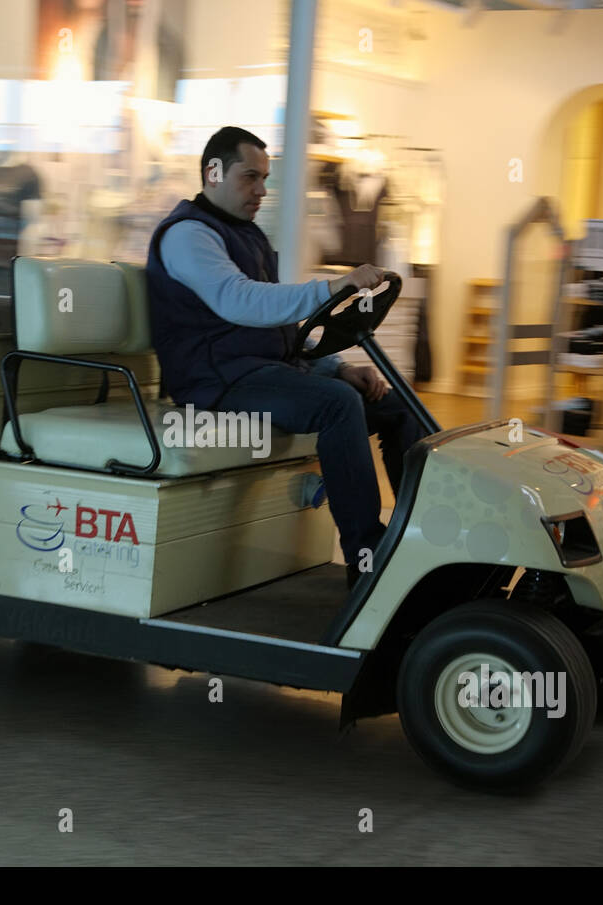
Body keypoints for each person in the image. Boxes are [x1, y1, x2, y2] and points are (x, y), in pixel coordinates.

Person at [146, 126, 424, 589]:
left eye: (265, 179)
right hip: (215, 384)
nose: (261, 190)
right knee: (337, 405)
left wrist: (337, 366)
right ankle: (368, 559)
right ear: (212, 172)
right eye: (250, 177)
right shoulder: (188, 235)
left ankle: (418, 536)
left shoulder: (245, 234)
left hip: (257, 373)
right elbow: (241, 302)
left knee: (396, 405)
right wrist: (331, 286)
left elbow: (275, 331)